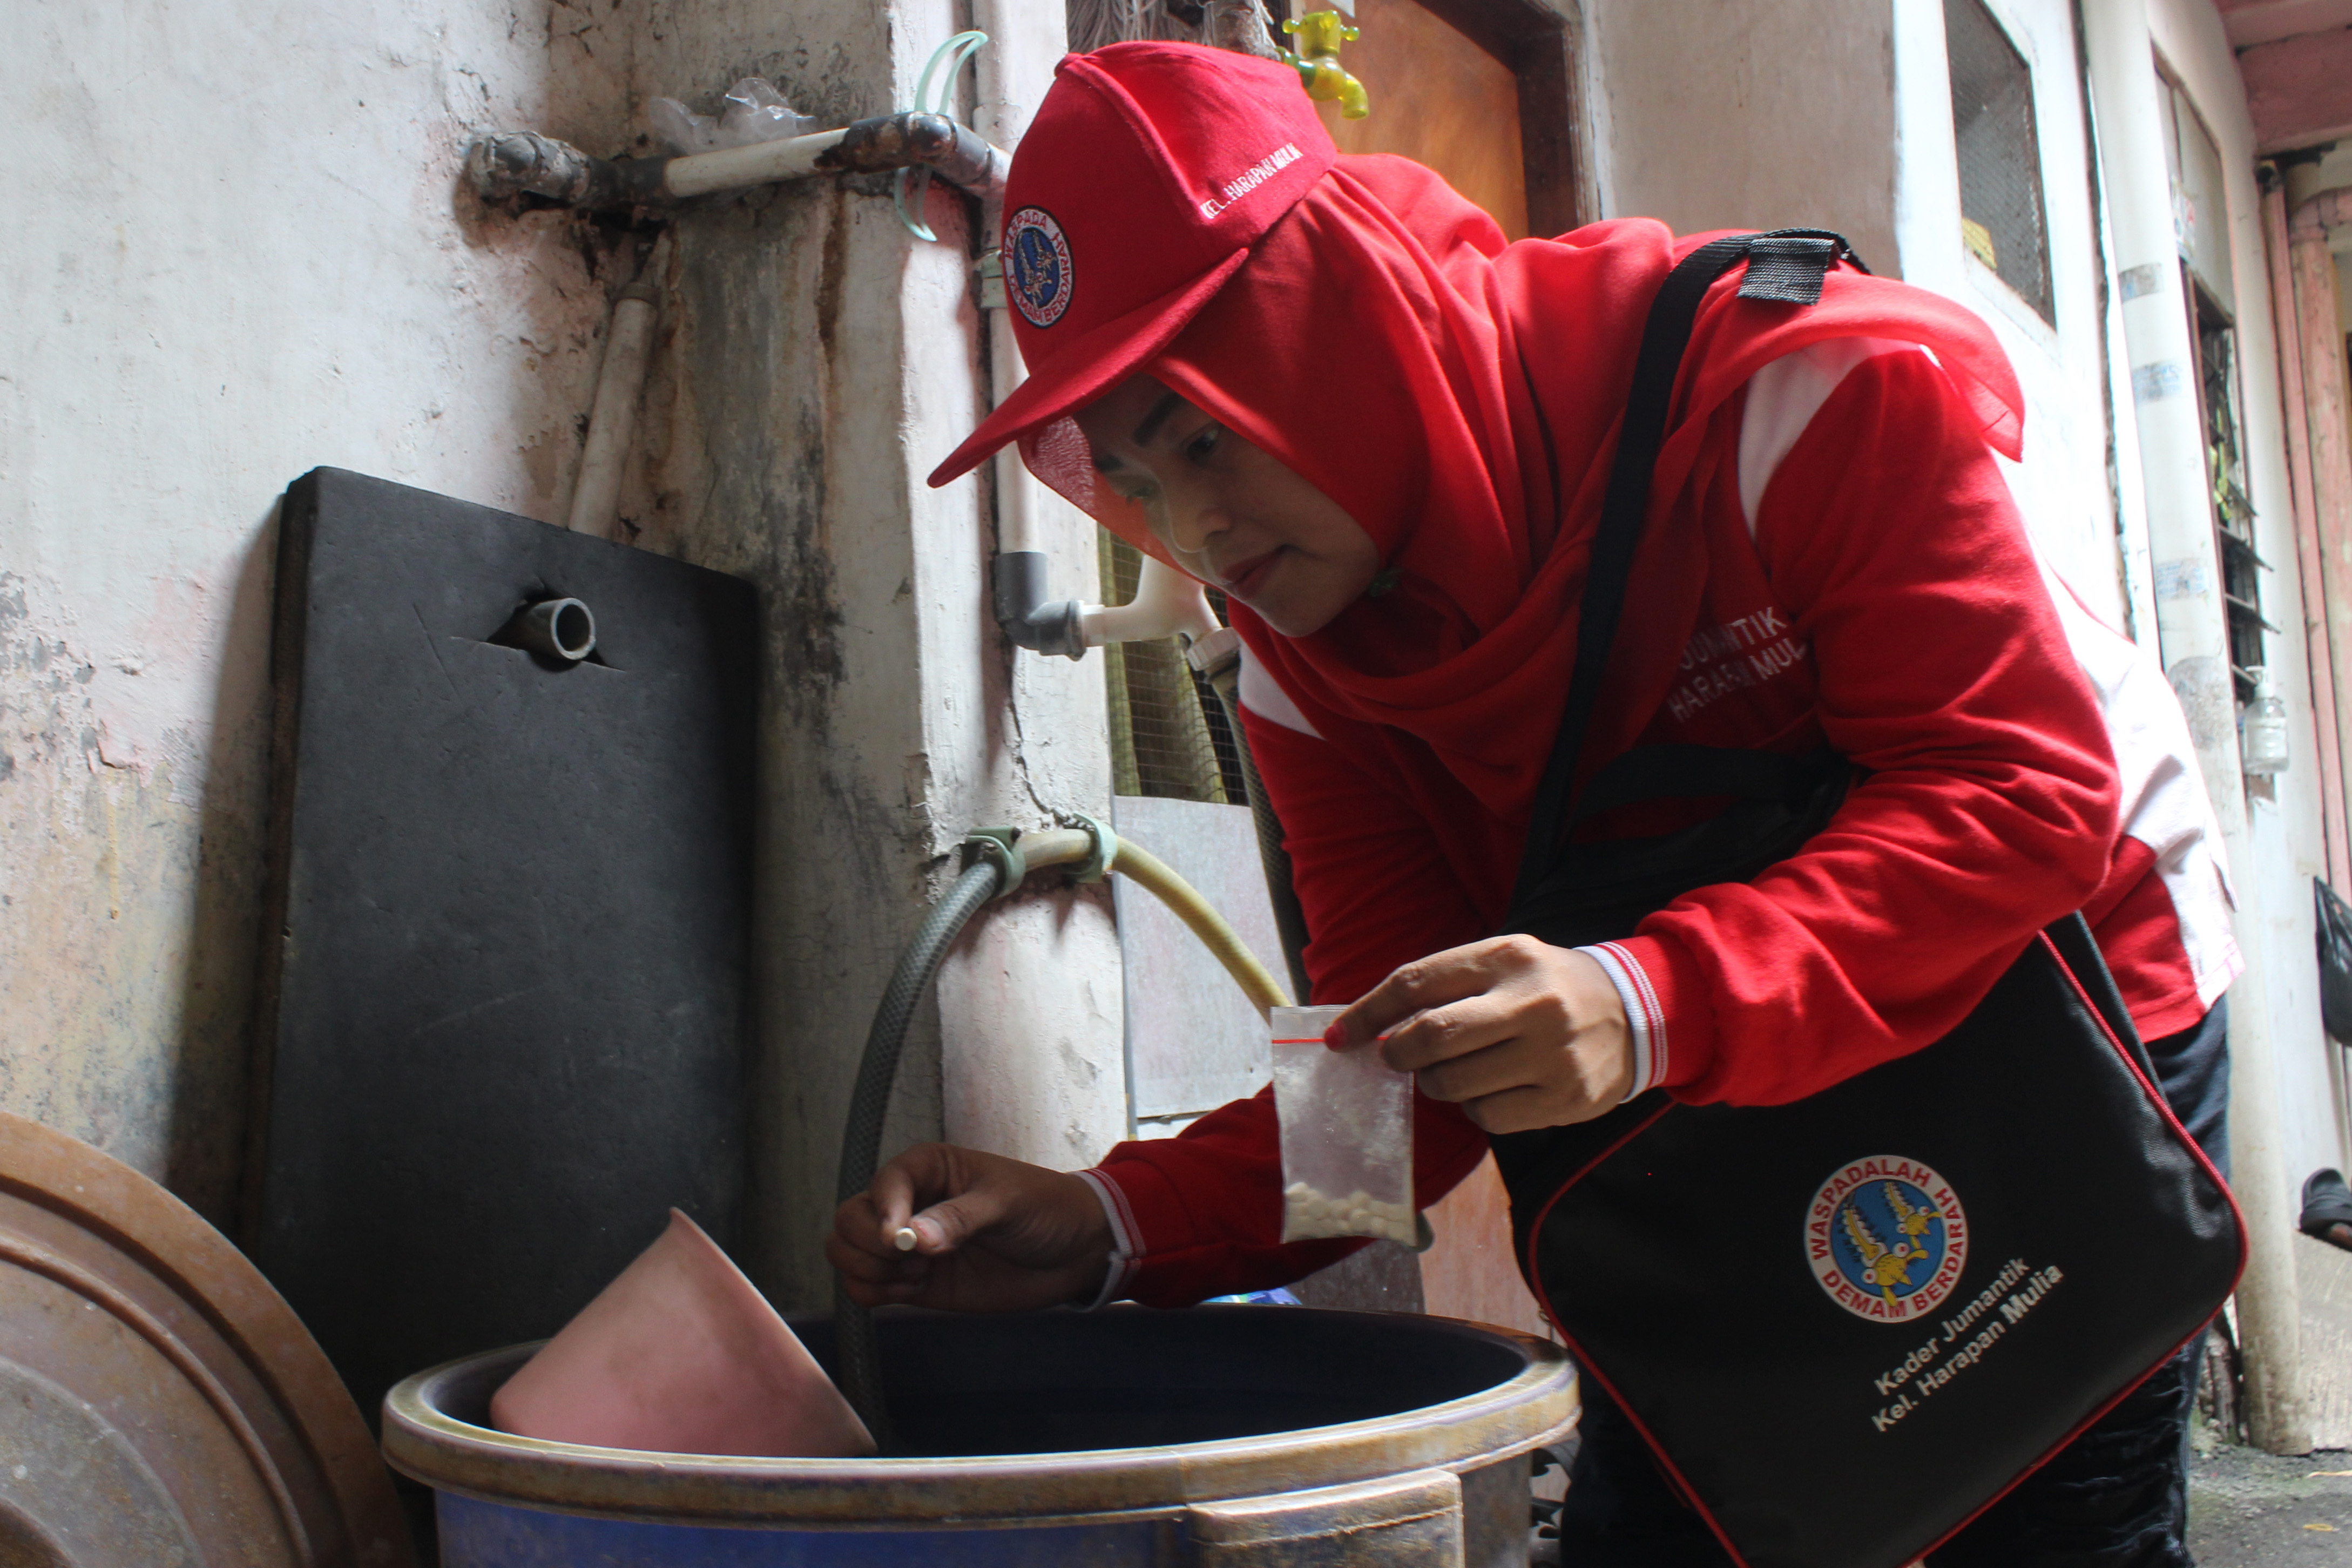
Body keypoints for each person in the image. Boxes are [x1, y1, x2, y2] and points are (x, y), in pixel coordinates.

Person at [830, 41, 2241, 1566]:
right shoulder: (1305, 673)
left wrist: (1640, 998)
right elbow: (1397, 1072)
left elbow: (2016, 796)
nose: (1196, 529)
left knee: (2037, 1513)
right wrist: (1111, 1224)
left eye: (1205, 432)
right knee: (1698, 1511)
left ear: (1341, 329)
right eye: (1129, 477)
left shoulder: (1790, 392)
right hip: (1694, 1054)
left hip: (2060, 1002)